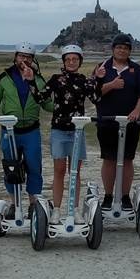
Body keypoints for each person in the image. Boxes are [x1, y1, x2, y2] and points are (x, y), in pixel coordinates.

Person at [0, 42, 53, 214]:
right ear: (15, 57)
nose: (24, 60)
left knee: (34, 166)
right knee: (11, 167)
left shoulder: (38, 79)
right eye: (21, 56)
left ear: (32, 59)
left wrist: (65, 105)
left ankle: (33, 203)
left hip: (31, 130)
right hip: (9, 131)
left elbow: (47, 105)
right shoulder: (5, 78)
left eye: (28, 57)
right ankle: (14, 204)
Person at [30, 44, 96, 221]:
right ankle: (57, 209)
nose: (71, 62)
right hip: (59, 130)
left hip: (77, 131)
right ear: (64, 61)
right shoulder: (55, 79)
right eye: (68, 59)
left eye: (75, 59)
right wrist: (31, 80)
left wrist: (98, 79)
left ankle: (74, 210)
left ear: (80, 61)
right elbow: (40, 98)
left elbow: (96, 98)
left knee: (75, 171)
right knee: (59, 170)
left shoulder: (84, 80)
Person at [92, 33, 140, 212]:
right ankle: (108, 196)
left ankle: (125, 196)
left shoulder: (137, 69)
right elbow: (94, 94)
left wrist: (137, 110)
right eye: (119, 47)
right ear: (113, 49)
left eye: (125, 48)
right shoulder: (101, 68)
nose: (122, 51)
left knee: (127, 160)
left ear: (129, 51)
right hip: (107, 121)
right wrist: (111, 85)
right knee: (109, 159)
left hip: (130, 122)